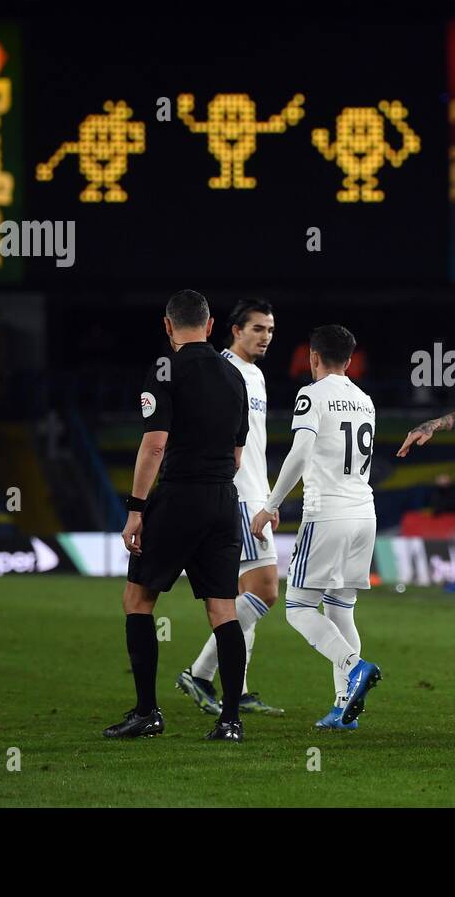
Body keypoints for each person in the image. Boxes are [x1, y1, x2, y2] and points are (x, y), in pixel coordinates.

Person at [107, 289, 250, 742]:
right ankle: (230, 720)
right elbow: (238, 455)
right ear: (210, 327)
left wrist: (136, 509)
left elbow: (154, 444)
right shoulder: (234, 375)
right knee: (223, 608)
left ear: (168, 327)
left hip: (178, 498)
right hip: (224, 501)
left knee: (138, 600)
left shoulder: (164, 369)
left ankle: (148, 712)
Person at [252, 325, 382, 729]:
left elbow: (300, 452)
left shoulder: (311, 394)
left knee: (299, 607)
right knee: (341, 609)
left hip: (328, 513)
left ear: (313, 358)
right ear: (349, 359)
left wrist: (271, 505)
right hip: (365, 513)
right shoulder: (365, 400)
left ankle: (353, 665)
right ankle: (344, 709)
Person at [176, 298, 284, 719]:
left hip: (256, 492)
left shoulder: (255, 375)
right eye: (258, 328)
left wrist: (270, 496)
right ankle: (199, 674)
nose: (265, 337)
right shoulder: (219, 369)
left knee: (246, 595)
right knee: (265, 590)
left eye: (271, 330)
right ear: (235, 330)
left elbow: (254, 443)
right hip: (235, 494)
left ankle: (234, 690)